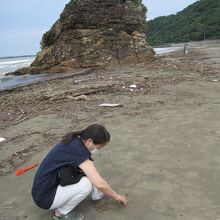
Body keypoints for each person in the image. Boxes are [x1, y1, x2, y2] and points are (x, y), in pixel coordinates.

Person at [32, 124, 127, 220]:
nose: (97, 150)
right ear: (89, 141)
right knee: (87, 184)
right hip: (44, 197)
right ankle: (60, 213)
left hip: (41, 188)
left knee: (87, 176)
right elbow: (100, 184)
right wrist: (116, 196)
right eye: (98, 147)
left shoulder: (75, 140)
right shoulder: (79, 151)